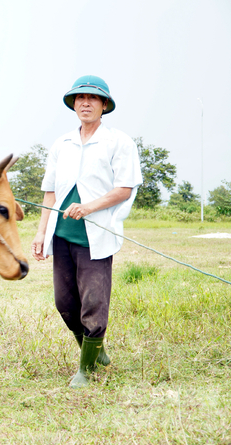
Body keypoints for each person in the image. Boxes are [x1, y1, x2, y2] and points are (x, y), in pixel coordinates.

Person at [31, 75, 142, 388]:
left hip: (95, 235)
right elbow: (50, 192)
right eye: (80, 98)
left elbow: (124, 188)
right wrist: (41, 233)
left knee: (93, 302)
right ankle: (97, 353)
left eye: (93, 98)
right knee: (65, 303)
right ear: (73, 104)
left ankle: (87, 370)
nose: (86, 103)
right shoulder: (61, 144)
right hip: (62, 234)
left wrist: (89, 207)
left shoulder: (118, 142)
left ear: (104, 105)